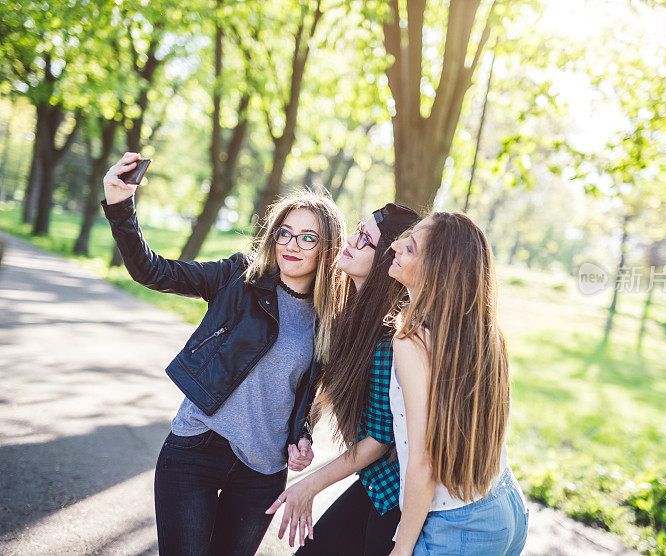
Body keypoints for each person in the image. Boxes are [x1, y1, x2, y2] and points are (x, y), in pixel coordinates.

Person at [100, 152, 347, 556]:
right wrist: (120, 205)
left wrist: (300, 435)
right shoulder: (239, 277)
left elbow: (307, 390)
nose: (291, 245)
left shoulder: (330, 318)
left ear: (328, 248)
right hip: (196, 450)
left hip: (262, 472)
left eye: (308, 238)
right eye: (284, 233)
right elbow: (153, 271)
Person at [265, 203, 419, 554]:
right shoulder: (351, 314)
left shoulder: (387, 337)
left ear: (384, 260)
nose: (351, 240)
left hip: (394, 497)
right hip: (374, 485)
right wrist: (304, 432)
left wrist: (309, 485)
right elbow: (324, 386)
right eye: (358, 230)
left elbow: (380, 437)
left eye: (365, 239)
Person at [386, 212, 529, 556]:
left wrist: (401, 548)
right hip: (504, 505)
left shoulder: (412, 341)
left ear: (437, 270)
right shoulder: (485, 335)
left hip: (458, 526)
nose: (393, 245)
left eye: (410, 247)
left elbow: (424, 460)